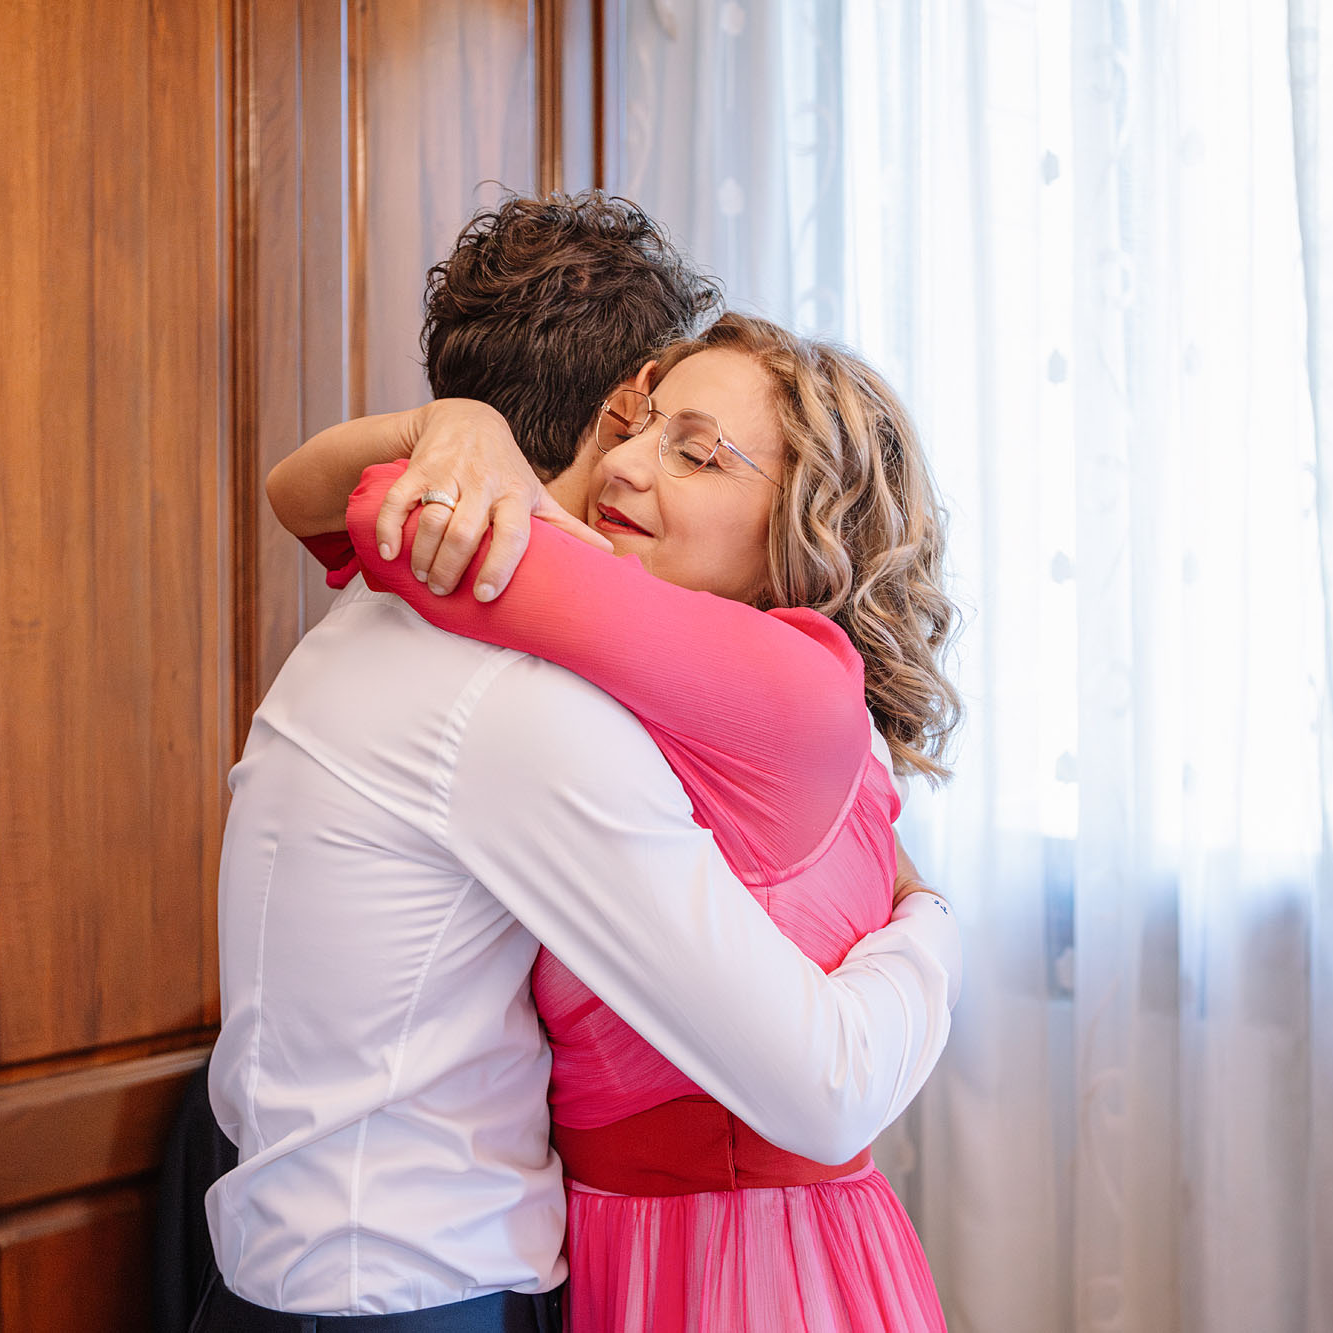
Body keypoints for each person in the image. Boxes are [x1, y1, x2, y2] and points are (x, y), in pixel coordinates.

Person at [202, 194, 961, 1332]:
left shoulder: (408, 629)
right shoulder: (526, 700)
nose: (648, 463)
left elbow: (824, 1083)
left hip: (693, 1275)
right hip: (418, 1285)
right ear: (612, 415)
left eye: (695, 449)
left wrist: (930, 925)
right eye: (650, 424)